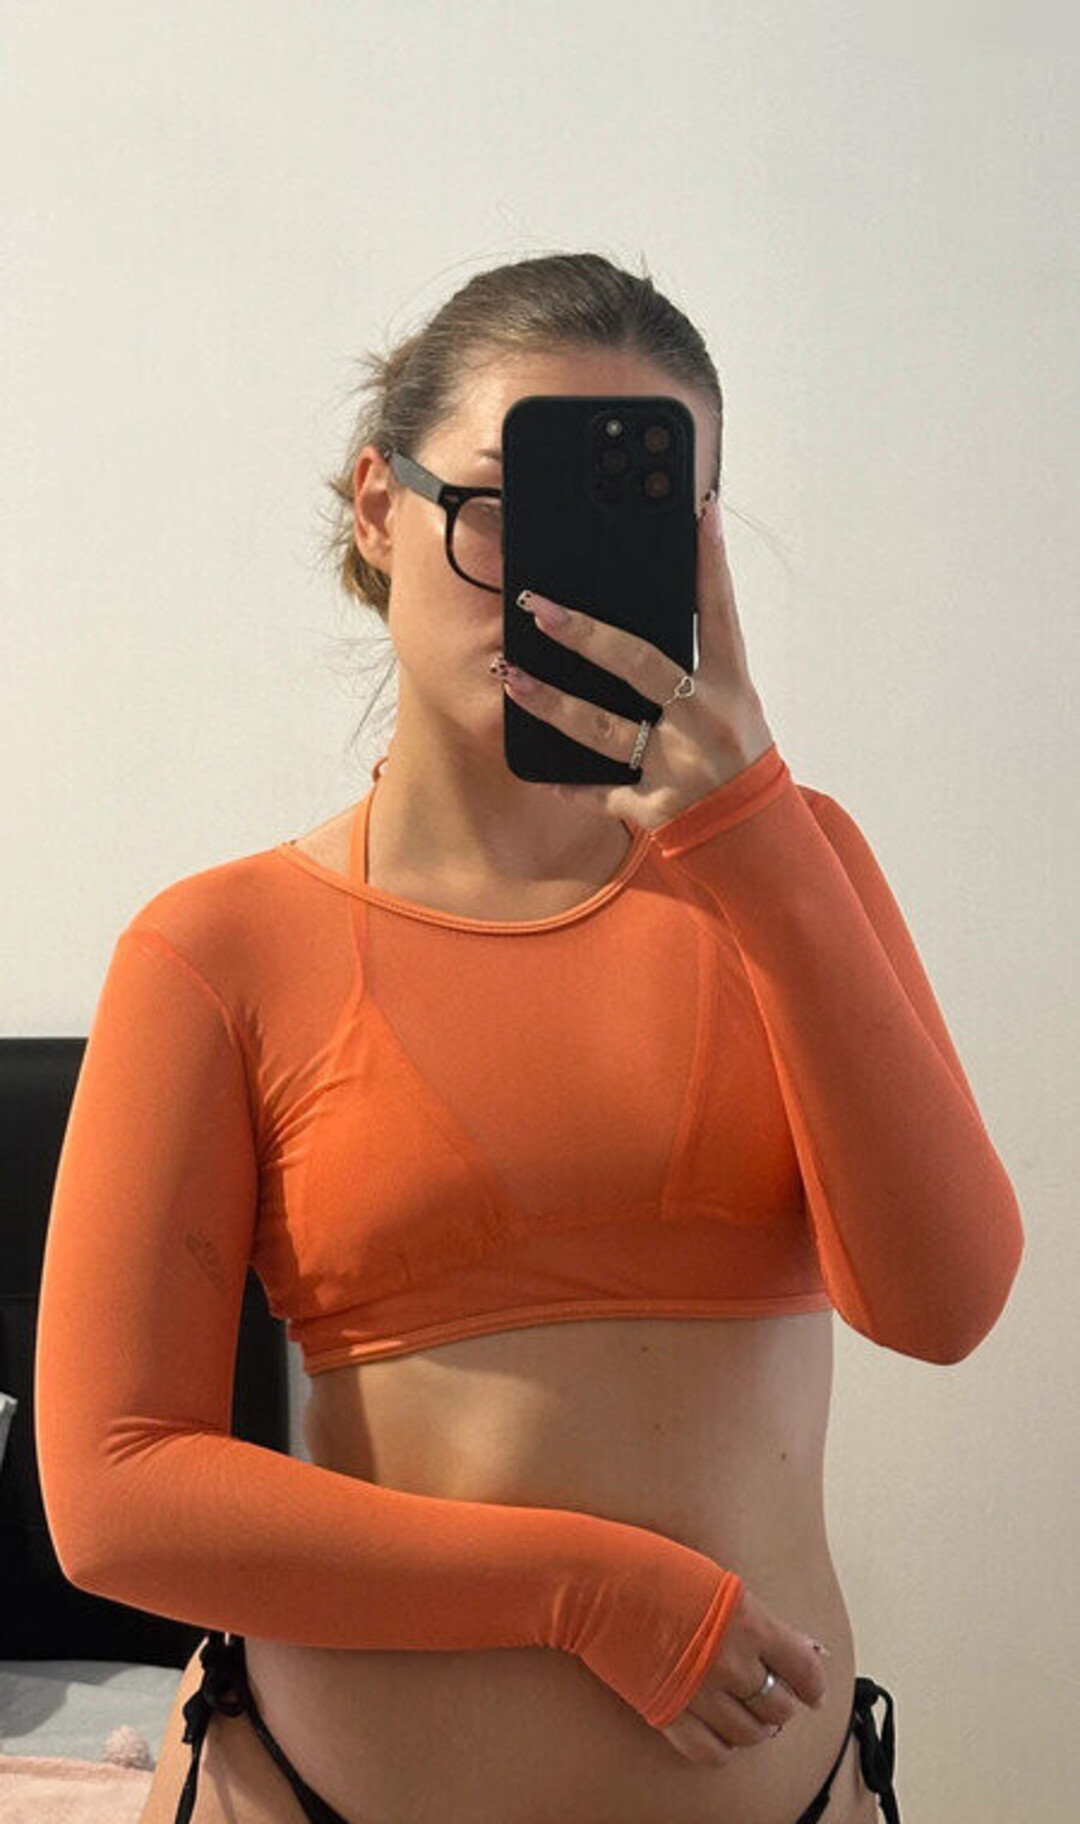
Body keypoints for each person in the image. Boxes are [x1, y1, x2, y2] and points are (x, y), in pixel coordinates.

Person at [35, 252, 1024, 1824]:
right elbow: (115, 1495)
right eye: (502, 508)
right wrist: (588, 1593)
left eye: (633, 518)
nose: (549, 582)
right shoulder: (217, 949)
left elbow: (945, 1304)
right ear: (379, 509)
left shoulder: (795, 869)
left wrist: (758, 840)